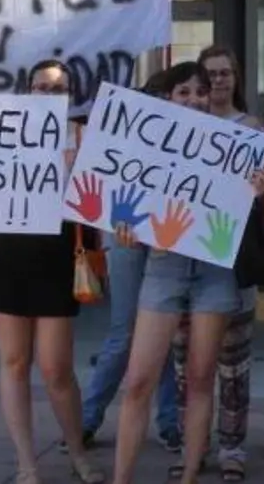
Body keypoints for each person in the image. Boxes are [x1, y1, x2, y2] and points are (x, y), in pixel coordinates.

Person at [112, 61, 264, 484]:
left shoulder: (233, 145)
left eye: (200, 91)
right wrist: (126, 226)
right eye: (183, 92)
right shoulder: (146, 145)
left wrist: (257, 190)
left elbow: (242, 208)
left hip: (214, 270)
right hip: (164, 268)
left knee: (201, 378)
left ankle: (188, 477)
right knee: (138, 381)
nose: (194, 99)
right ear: (168, 98)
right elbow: (124, 204)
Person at [0, 59, 104, 484]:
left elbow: (97, 201)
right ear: (27, 91)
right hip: (9, 254)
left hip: (56, 257)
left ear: (70, 96)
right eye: (42, 87)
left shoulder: (83, 137)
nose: (49, 95)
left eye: (59, 89)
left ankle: (77, 453)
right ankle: (26, 463)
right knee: (13, 361)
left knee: (56, 368)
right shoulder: (2, 132)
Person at [81, 72, 182, 455]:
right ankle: (89, 418)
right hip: (124, 238)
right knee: (125, 332)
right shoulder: (119, 132)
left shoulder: (182, 137)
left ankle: (168, 422)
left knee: (162, 334)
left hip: (165, 241)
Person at [193, 44, 263, 482]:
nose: (219, 80)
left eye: (225, 73)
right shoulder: (181, 127)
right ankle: (192, 444)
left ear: (236, 78)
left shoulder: (252, 127)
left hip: (234, 260)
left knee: (234, 365)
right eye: (211, 74)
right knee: (189, 367)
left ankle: (233, 447)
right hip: (188, 262)